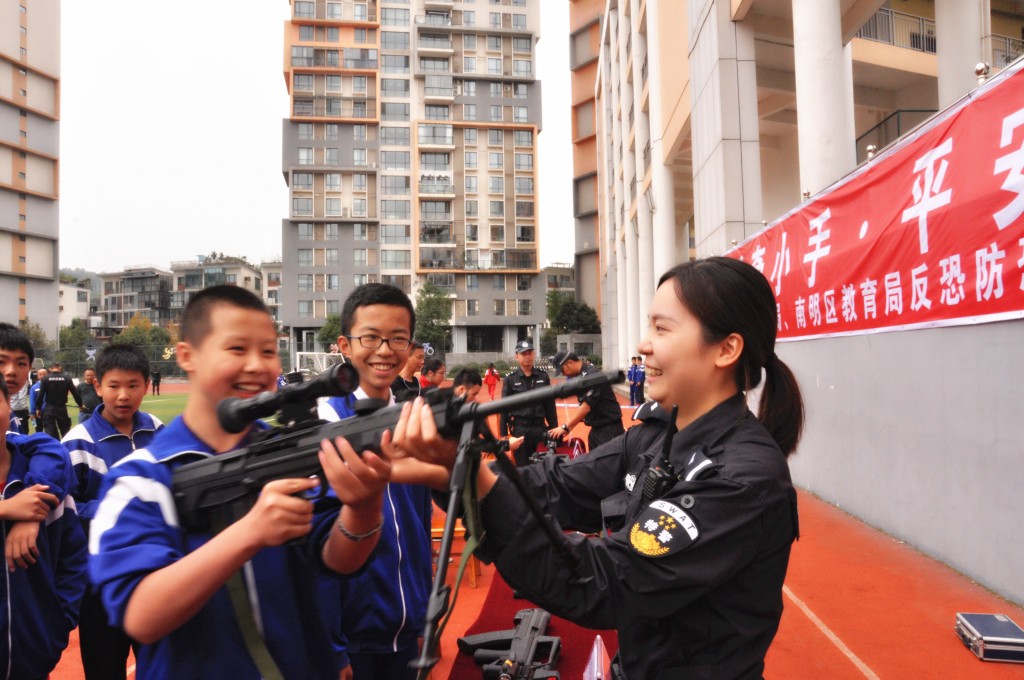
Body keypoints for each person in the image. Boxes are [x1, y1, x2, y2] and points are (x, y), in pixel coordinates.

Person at [395, 257, 805, 679]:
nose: (644, 345)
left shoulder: (743, 480)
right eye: (649, 327)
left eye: (662, 329)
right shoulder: (654, 435)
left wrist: (474, 481)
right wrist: (453, 474)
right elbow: (556, 487)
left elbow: (606, 582)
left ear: (726, 349)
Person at [89, 285, 393, 679]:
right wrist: (250, 532)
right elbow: (141, 616)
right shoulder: (138, 481)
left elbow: (339, 559)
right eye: (237, 349)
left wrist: (365, 504)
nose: (257, 365)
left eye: (268, 351)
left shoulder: (291, 450)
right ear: (187, 356)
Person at [315, 283, 437, 680]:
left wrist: (423, 610)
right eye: (370, 337)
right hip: (353, 639)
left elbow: (419, 525)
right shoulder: (321, 428)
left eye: (398, 338)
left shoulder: (409, 421)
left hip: (405, 628)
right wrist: (332, 649)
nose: (385, 350)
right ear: (344, 345)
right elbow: (315, 555)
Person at [63, 344, 165, 680]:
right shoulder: (77, 442)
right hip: (100, 587)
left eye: (133, 385)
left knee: (163, 666)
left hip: (157, 579)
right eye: (114, 386)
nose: (123, 395)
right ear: (97, 386)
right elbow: (64, 509)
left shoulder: (159, 431)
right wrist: (121, 514)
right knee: (105, 668)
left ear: (147, 385)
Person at [0, 377, 88, 679]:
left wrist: (57, 622)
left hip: (32, 656)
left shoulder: (43, 479)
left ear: (8, 404)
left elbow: (73, 557)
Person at [547, 351, 625, 451]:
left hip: (609, 429)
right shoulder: (580, 377)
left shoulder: (591, 375)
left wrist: (565, 427)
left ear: (570, 363)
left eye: (562, 370)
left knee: (609, 464)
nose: (563, 373)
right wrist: (570, 427)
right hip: (597, 429)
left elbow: (586, 406)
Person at [498, 340, 557, 466]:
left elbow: (550, 406)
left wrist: (554, 430)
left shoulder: (543, 376)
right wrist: (503, 435)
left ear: (534, 355)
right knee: (522, 468)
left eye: (530, 353)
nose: (527, 357)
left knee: (543, 467)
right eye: (523, 354)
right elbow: (504, 408)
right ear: (516, 357)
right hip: (520, 430)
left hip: (540, 429)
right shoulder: (510, 379)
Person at [0, 322, 35, 434]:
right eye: (1, 361)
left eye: (21, 364)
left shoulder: (10, 416)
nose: (11, 371)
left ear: (30, 367)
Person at [38, 362, 84, 439]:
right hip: (62, 408)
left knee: (51, 432)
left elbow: (40, 395)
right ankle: (66, 448)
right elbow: (75, 393)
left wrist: (38, 408)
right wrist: (80, 404)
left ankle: (55, 448)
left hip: (49, 408)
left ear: (50, 369)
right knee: (65, 432)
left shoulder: (45, 379)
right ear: (60, 368)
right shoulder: (67, 378)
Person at [29, 367, 46, 433]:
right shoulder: (34, 387)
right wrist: (32, 413)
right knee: (38, 430)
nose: (42, 376)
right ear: (37, 376)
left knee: (50, 431)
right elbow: (32, 401)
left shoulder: (51, 386)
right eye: (40, 374)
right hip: (38, 413)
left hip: (49, 412)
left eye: (44, 374)